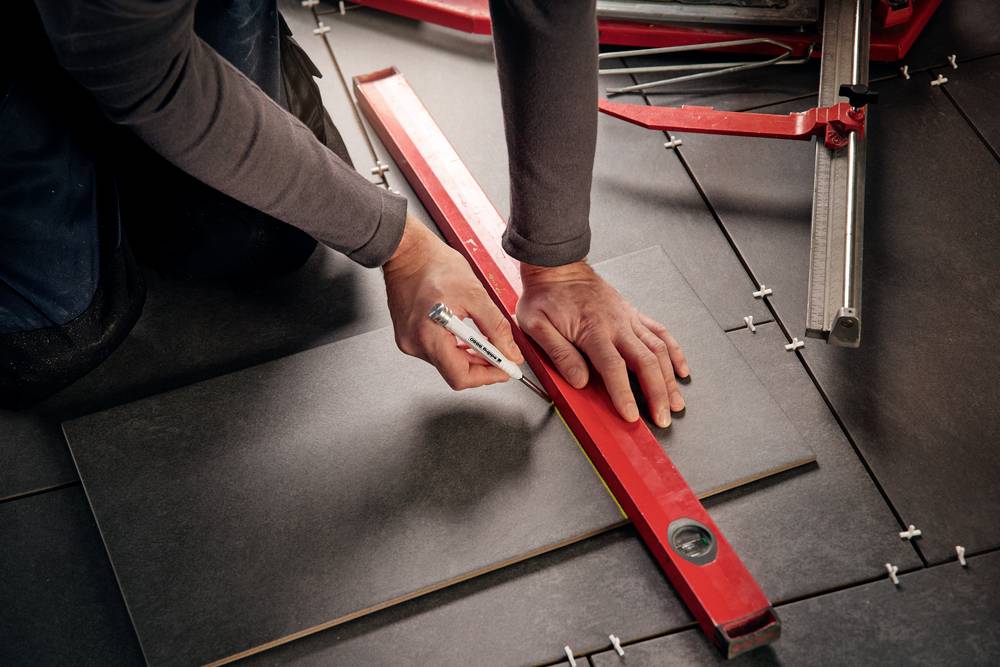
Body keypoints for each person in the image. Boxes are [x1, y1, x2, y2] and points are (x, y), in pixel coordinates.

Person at [0, 0, 688, 427]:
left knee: (254, 239)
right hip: (120, 41)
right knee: (56, 339)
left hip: (127, 25)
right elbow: (146, 72)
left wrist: (558, 260)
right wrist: (402, 247)